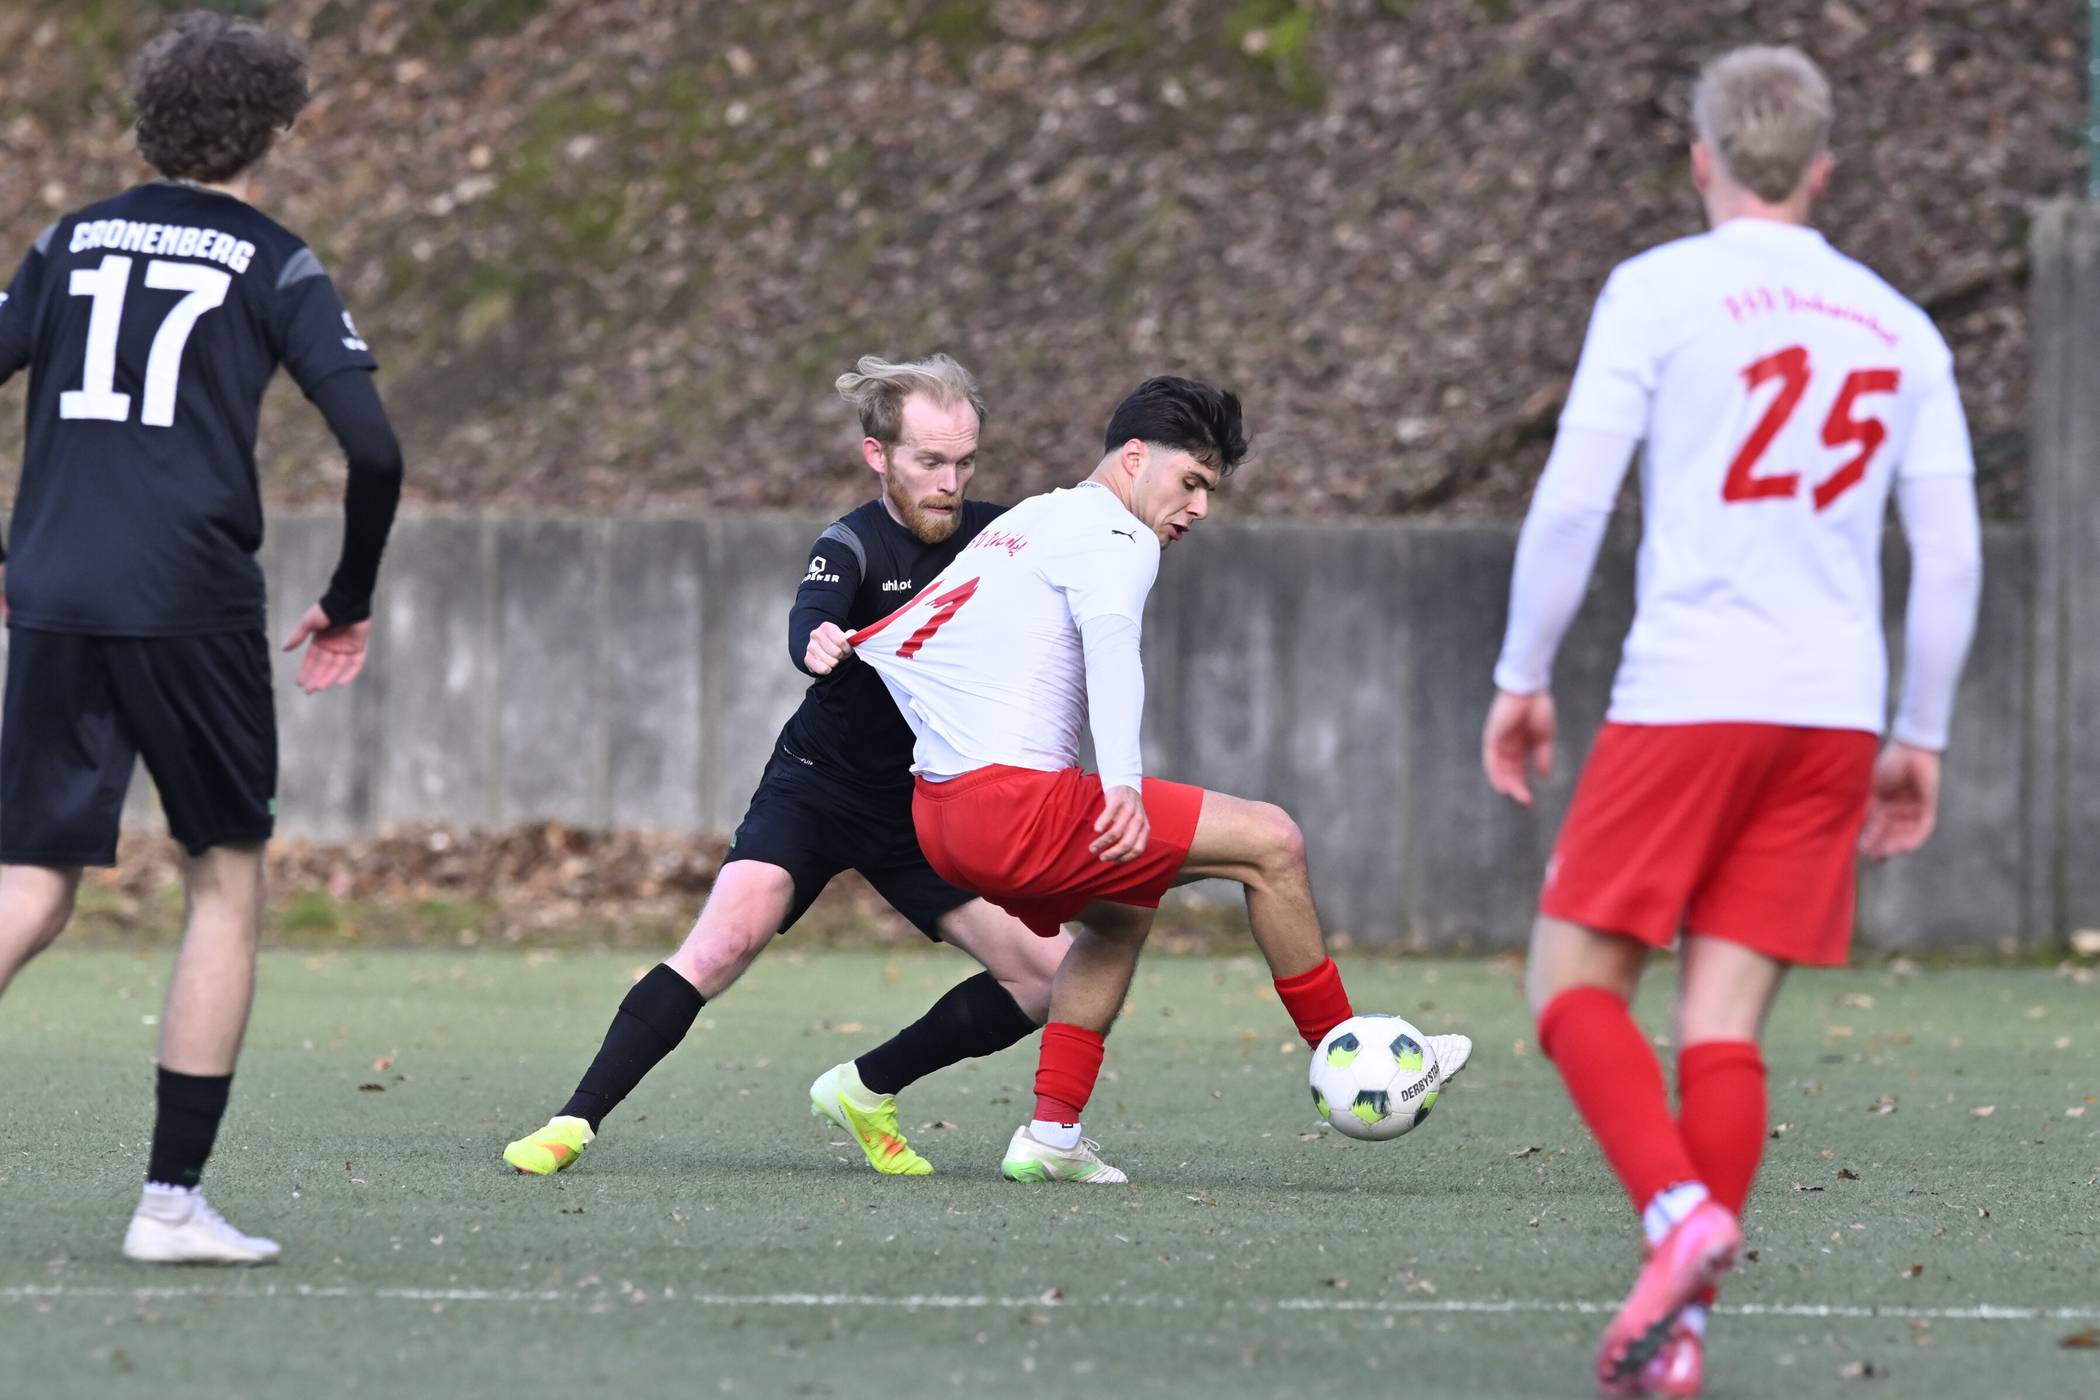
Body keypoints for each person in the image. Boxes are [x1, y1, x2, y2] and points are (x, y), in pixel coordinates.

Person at [1479, 45, 1983, 1398]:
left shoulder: (1657, 293)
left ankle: (1676, 1219)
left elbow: (1577, 502)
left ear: (1701, 158)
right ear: (1821, 169)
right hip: (1831, 715)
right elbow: (1947, 558)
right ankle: (1682, 1332)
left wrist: (1521, 675)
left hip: (1691, 693)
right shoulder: (1900, 327)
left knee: (1571, 983)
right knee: (1724, 1026)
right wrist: (1919, 731)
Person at [839, 376, 1471, 1186]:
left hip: (942, 817)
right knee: (1271, 843)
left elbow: (935, 624)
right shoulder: (1118, 536)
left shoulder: (1032, 517)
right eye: (1193, 481)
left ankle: (1051, 1134)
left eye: (1212, 489)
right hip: (1014, 808)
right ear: (1135, 458)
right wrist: (1123, 784)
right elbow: (1111, 652)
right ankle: (1354, 1057)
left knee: (1119, 920)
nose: (1199, 507)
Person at [0, 11, 405, 1265]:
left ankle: (177, 1204)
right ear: (276, 128)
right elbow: (376, 450)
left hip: (56, 588)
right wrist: (347, 596)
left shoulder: (69, 239)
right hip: (189, 599)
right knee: (223, 876)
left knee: (26, 880)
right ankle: (169, 1204)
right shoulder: (277, 262)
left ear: (149, 122)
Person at [503, 355, 1067, 1178]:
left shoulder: (999, 536)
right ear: (878, 455)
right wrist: (818, 641)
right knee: (721, 944)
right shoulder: (850, 544)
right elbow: (812, 616)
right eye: (929, 462)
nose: (951, 482)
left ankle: (866, 1088)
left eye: (965, 462)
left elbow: (1080, 547)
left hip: (924, 803)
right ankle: (571, 1122)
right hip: (818, 787)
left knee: (1046, 976)